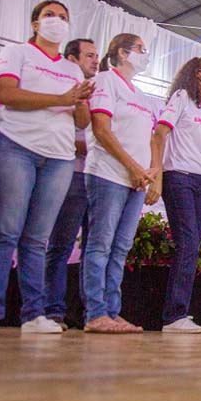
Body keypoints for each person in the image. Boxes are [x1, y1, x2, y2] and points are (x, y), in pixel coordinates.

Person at [0, 0, 93, 334]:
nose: (58, 21)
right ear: (35, 23)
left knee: (37, 238)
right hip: (15, 146)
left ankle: (34, 314)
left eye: (64, 17)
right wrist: (61, 99)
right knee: (5, 230)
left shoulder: (72, 70)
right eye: (50, 16)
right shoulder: (17, 52)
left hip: (59, 157)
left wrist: (80, 99)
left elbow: (82, 118)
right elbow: (6, 93)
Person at [81, 34, 157, 333]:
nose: (145, 54)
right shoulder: (105, 81)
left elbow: (150, 139)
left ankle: (112, 311)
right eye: (140, 49)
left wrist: (150, 172)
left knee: (121, 247)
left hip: (136, 182)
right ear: (123, 53)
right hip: (108, 174)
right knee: (100, 244)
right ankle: (95, 312)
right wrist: (133, 166)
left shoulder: (141, 96)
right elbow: (101, 129)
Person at [149, 56, 201, 333]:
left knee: (192, 246)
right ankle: (174, 315)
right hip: (178, 176)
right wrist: (157, 175)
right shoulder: (181, 97)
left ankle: (180, 312)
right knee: (188, 243)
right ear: (197, 72)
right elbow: (159, 134)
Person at [42, 38, 98, 328]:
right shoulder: (60, 85)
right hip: (71, 173)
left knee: (95, 249)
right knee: (60, 245)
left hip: (100, 177)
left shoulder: (101, 89)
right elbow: (71, 132)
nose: (95, 60)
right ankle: (52, 310)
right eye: (89, 55)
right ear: (72, 59)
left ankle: (93, 313)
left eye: (97, 55)